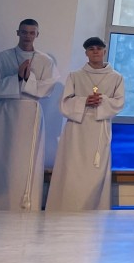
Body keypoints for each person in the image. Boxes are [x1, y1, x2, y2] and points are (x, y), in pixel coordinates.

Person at [45, 37, 125, 211]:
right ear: (86, 53)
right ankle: (66, 210)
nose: (95, 51)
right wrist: (84, 101)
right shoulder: (75, 76)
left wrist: (102, 100)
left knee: (95, 172)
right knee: (72, 171)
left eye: (98, 48)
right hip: (76, 130)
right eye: (91, 49)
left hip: (99, 129)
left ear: (104, 51)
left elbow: (119, 102)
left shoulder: (116, 78)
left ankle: (94, 211)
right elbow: (64, 103)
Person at [0, 19, 59, 210]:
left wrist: (27, 78)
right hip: (7, 113)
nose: (28, 36)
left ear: (37, 35)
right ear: (18, 33)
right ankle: (0, 204)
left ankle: (26, 203)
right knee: (3, 156)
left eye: (32, 32)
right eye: (24, 32)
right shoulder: (2, 57)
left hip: (31, 112)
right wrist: (16, 77)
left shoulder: (45, 61)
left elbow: (48, 88)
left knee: (28, 160)